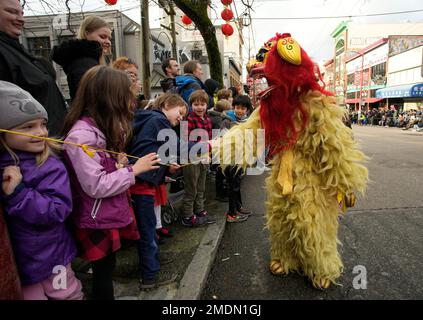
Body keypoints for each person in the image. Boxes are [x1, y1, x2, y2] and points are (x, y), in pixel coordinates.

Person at [211, 33, 368, 289]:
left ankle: (320, 266)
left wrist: (345, 183)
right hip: (281, 173)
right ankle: (285, 257)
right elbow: (250, 133)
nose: (266, 84)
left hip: (313, 178)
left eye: (271, 77)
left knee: (312, 223)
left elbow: (337, 148)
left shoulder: (318, 105)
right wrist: (215, 147)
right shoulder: (271, 106)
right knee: (281, 220)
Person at [62, 66, 160, 300]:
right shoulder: (81, 136)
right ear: (110, 98)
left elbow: (99, 172)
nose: (132, 100)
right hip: (95, 217)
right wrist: (134, 170)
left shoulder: (97, 129)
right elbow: (95, 185)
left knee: (107, 267)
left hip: (103, 214)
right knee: (103, 273)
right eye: (127, 95)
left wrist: (119, 164)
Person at [0, 81, 83, 300]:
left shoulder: (48, 165)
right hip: (21, 262)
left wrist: (18, 194)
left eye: (43, 124)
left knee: (67, 293)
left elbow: (58, 209)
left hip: (53, 257)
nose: (41, 132)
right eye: (28, 127)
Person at [127, 93, 187, 289]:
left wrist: (166, 170)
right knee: (147, 231)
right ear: (167, 104)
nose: (181, 118)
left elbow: (151, 152)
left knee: (150, 228)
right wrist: (208, 145)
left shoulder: (150, 119)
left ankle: (153, 263)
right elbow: (176, 146)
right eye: (180, 113)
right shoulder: (159, 120)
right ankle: (150, 277)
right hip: (142, 186)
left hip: (143, 183)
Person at [0, 0, 67, 136]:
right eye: (12, 12)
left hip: (49, 143)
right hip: (28, 150)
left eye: (22, 13)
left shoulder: (16, 49)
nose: (21, 19)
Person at [51, 15, 112, 101]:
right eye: (102, 37)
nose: (108, 42)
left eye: (109, 38)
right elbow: (90, 97)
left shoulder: (89, 59)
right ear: (86, 34)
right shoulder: (83, 62)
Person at [181, 90, 215, 227]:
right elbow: (184, 141)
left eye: (202, 104)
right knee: (191, 188)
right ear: (191, 105)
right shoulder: (186, 120)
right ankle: (187, 215)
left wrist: (209, 154)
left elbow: (210, 139)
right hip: (191, 159)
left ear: (207, 105)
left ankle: (200, 210)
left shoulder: (208, 119)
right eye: (196, 104)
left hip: (204, 158)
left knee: (201, 186)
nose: (199, 107)